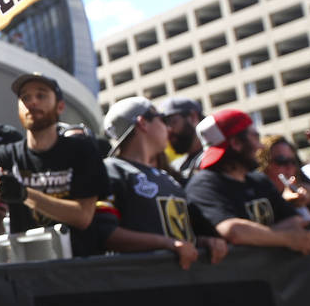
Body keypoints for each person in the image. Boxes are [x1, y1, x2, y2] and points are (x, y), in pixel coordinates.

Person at [0, 72, 108, 256]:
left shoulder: (82, 150)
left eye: (41, 95)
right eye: (25, 97)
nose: (32, 102)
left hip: (79, 268)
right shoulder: (7, 155)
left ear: (60, 106)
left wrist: (25, 194)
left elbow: (82, 216)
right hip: (30, 269)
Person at [93, 97, 227, 269]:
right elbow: (105, 232)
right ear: (142, 123)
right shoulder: (112, 170)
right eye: (163, 120)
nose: (168, 128)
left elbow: (176, 232)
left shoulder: (166, 176)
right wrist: (168, 244)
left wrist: (204, 241)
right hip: (144, 283)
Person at [186, 110, 310, 255]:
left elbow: (296, 222)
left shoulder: (258, 180)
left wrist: (256, 235)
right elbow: (233, 231)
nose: (261, 147)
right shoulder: (204, 185)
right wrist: (287, 239)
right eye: (255, 137)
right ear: (236, 143)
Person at [257, 135, 310, 232]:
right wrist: (283, 204)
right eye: (281, 161)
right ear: (264, 164)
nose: (289, 167)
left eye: (293, 161)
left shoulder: (306, 188)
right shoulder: (258, 201)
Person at [159, 97, 205, 183]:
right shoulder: (177, 166)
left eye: (171, 121)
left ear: (193, 117)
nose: (168, 130)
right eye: (163, 125)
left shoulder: (217, 157)